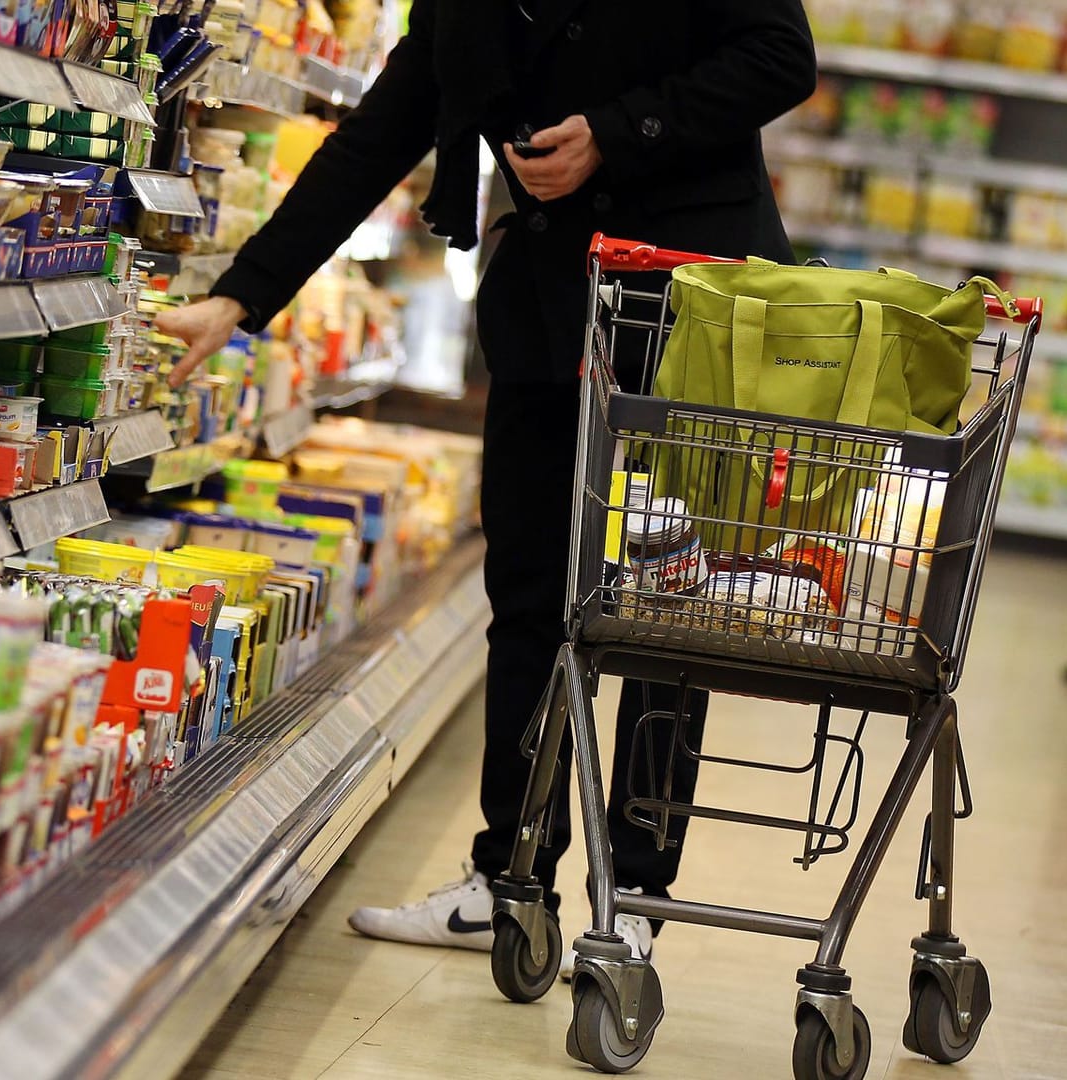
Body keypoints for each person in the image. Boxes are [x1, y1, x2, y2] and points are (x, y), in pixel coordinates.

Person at [156, 1, 817, 971]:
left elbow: (779, 56)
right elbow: (384, 126)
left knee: (666, 607)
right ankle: (509, 880)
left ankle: (633, 894)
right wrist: (243, 292)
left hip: (691, 311)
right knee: (528, 598)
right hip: (550, 305)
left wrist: (615, 133)